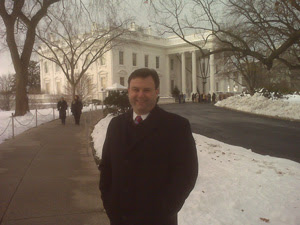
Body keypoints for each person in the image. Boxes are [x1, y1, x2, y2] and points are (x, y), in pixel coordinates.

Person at [99, 68, 198, 225]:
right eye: (135, 89)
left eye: (147, 90)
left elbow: (186, 175)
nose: (140, 95)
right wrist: (109, 203)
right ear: (128, 91)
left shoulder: (176, 126)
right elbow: (106, 167)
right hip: (120, 218)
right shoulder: (115, 125)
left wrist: (164, 210)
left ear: (156, 92)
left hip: (157, 219)